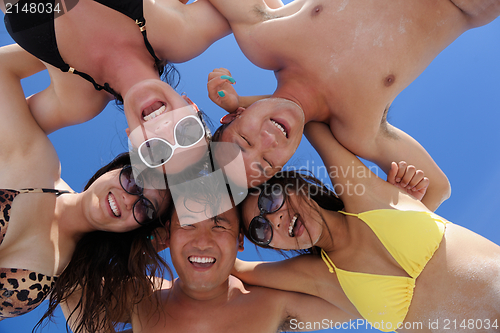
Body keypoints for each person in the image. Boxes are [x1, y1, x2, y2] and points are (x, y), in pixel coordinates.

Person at [206, 0, 500, 210]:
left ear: (234, 116)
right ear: (285, 163)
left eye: (244, 140)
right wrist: (400, 200)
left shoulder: (265, 40)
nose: (268, 140)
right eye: (268, 163)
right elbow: (437, 188)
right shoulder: (357, 129)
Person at [233, 121, 500, 332]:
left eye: (271, 199)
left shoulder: (363, 195)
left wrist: (240, 113)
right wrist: (226, 229)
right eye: (260, 229)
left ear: (294, 187)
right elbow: (228, 265)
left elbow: (307, 115)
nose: (273, 219)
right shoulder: (320, 278)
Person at [0, 43, 172, 332]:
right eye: (134, 179)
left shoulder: (76, 278)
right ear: (114, 168)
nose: (130, 200)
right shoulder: (37, 162)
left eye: (145, 208)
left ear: (137, 229)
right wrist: (78, 47)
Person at [62, 175, 355, 333]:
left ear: (240, 240)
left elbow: (366, 302)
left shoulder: (274, 304)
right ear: (167, 236)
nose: (202, 241)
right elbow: (67, 279)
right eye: (188, 225)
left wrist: (240, 269)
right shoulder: (141, 296)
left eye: (219, 227)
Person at [1, 0, 230, 172]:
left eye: (157, 151)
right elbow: (263, 14)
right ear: (191, 105)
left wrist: (44, 55)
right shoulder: (180, 35)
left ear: (133, 138)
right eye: (187, 133)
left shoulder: (77, 102)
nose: (166, 131)